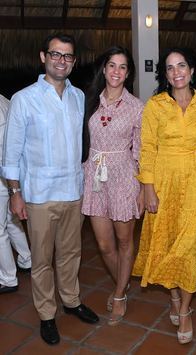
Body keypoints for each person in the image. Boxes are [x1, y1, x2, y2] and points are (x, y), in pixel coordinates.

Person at [1, 33, 99, 345]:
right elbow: (11, 151)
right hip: (39, 195)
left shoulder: (78, 97)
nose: (61, 61)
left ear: (74, 62)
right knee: (41, 259)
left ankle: (71, 301)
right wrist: (15, 193)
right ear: (44, 57)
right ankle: (46, 313)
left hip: (73, 190)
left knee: (71, 253)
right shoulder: (23, 99)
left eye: (68, 56)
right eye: (55, 54)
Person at [132, 47, 196, 344]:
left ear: (192, 70)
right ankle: (173, 295)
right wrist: (148, 188)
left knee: (190, 243)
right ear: (165, 75)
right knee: (168, 240)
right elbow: (147, 148)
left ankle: (184, 310)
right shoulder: (155, 106)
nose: (176, 72)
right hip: (164, 181)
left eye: (182, 65)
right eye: (170, 68)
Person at [82, 46, 144, 326]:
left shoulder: (136, 107)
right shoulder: (89, 101)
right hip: (94, 177)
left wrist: (143, 188)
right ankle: (124, 281)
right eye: (111, 65)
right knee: (105, 244)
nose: (116, 71)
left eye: (122, 67)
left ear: (128, 73)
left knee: (123, 240)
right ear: (104, 69)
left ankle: (119, 292)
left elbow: (142, 150)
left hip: (124, 178)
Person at [0, 94, 31, 294]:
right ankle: (26, 259)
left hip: (4, 173)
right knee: (11, 221)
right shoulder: (4, 100)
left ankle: (7, 277)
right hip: (10, 173)